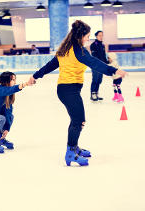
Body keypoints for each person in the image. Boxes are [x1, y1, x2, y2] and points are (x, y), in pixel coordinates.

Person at [27, 20, 127, 166]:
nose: (88, 38)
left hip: (67, 89)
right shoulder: (78, 51)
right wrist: (114, 70)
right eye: (87, 35)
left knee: (77, 120)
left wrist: (35, 76)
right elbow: (94, 63)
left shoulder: (66, 49)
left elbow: (50, 65)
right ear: (80, 35)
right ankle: (70, 153)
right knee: (78, 121)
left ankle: (74, 147)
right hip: (69, 90)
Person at [90, 31, 109, 101]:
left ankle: (96, 93)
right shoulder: (93, 45)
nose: (101, 37)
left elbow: (103, 56)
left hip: (102, 66)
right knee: (95, 79)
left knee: (99, 80)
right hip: (95, 66)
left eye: (102, 35)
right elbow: (94, 56)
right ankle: (93, 94)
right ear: (96, 36)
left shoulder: (102, 45)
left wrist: (107, 62)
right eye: (99, 35)